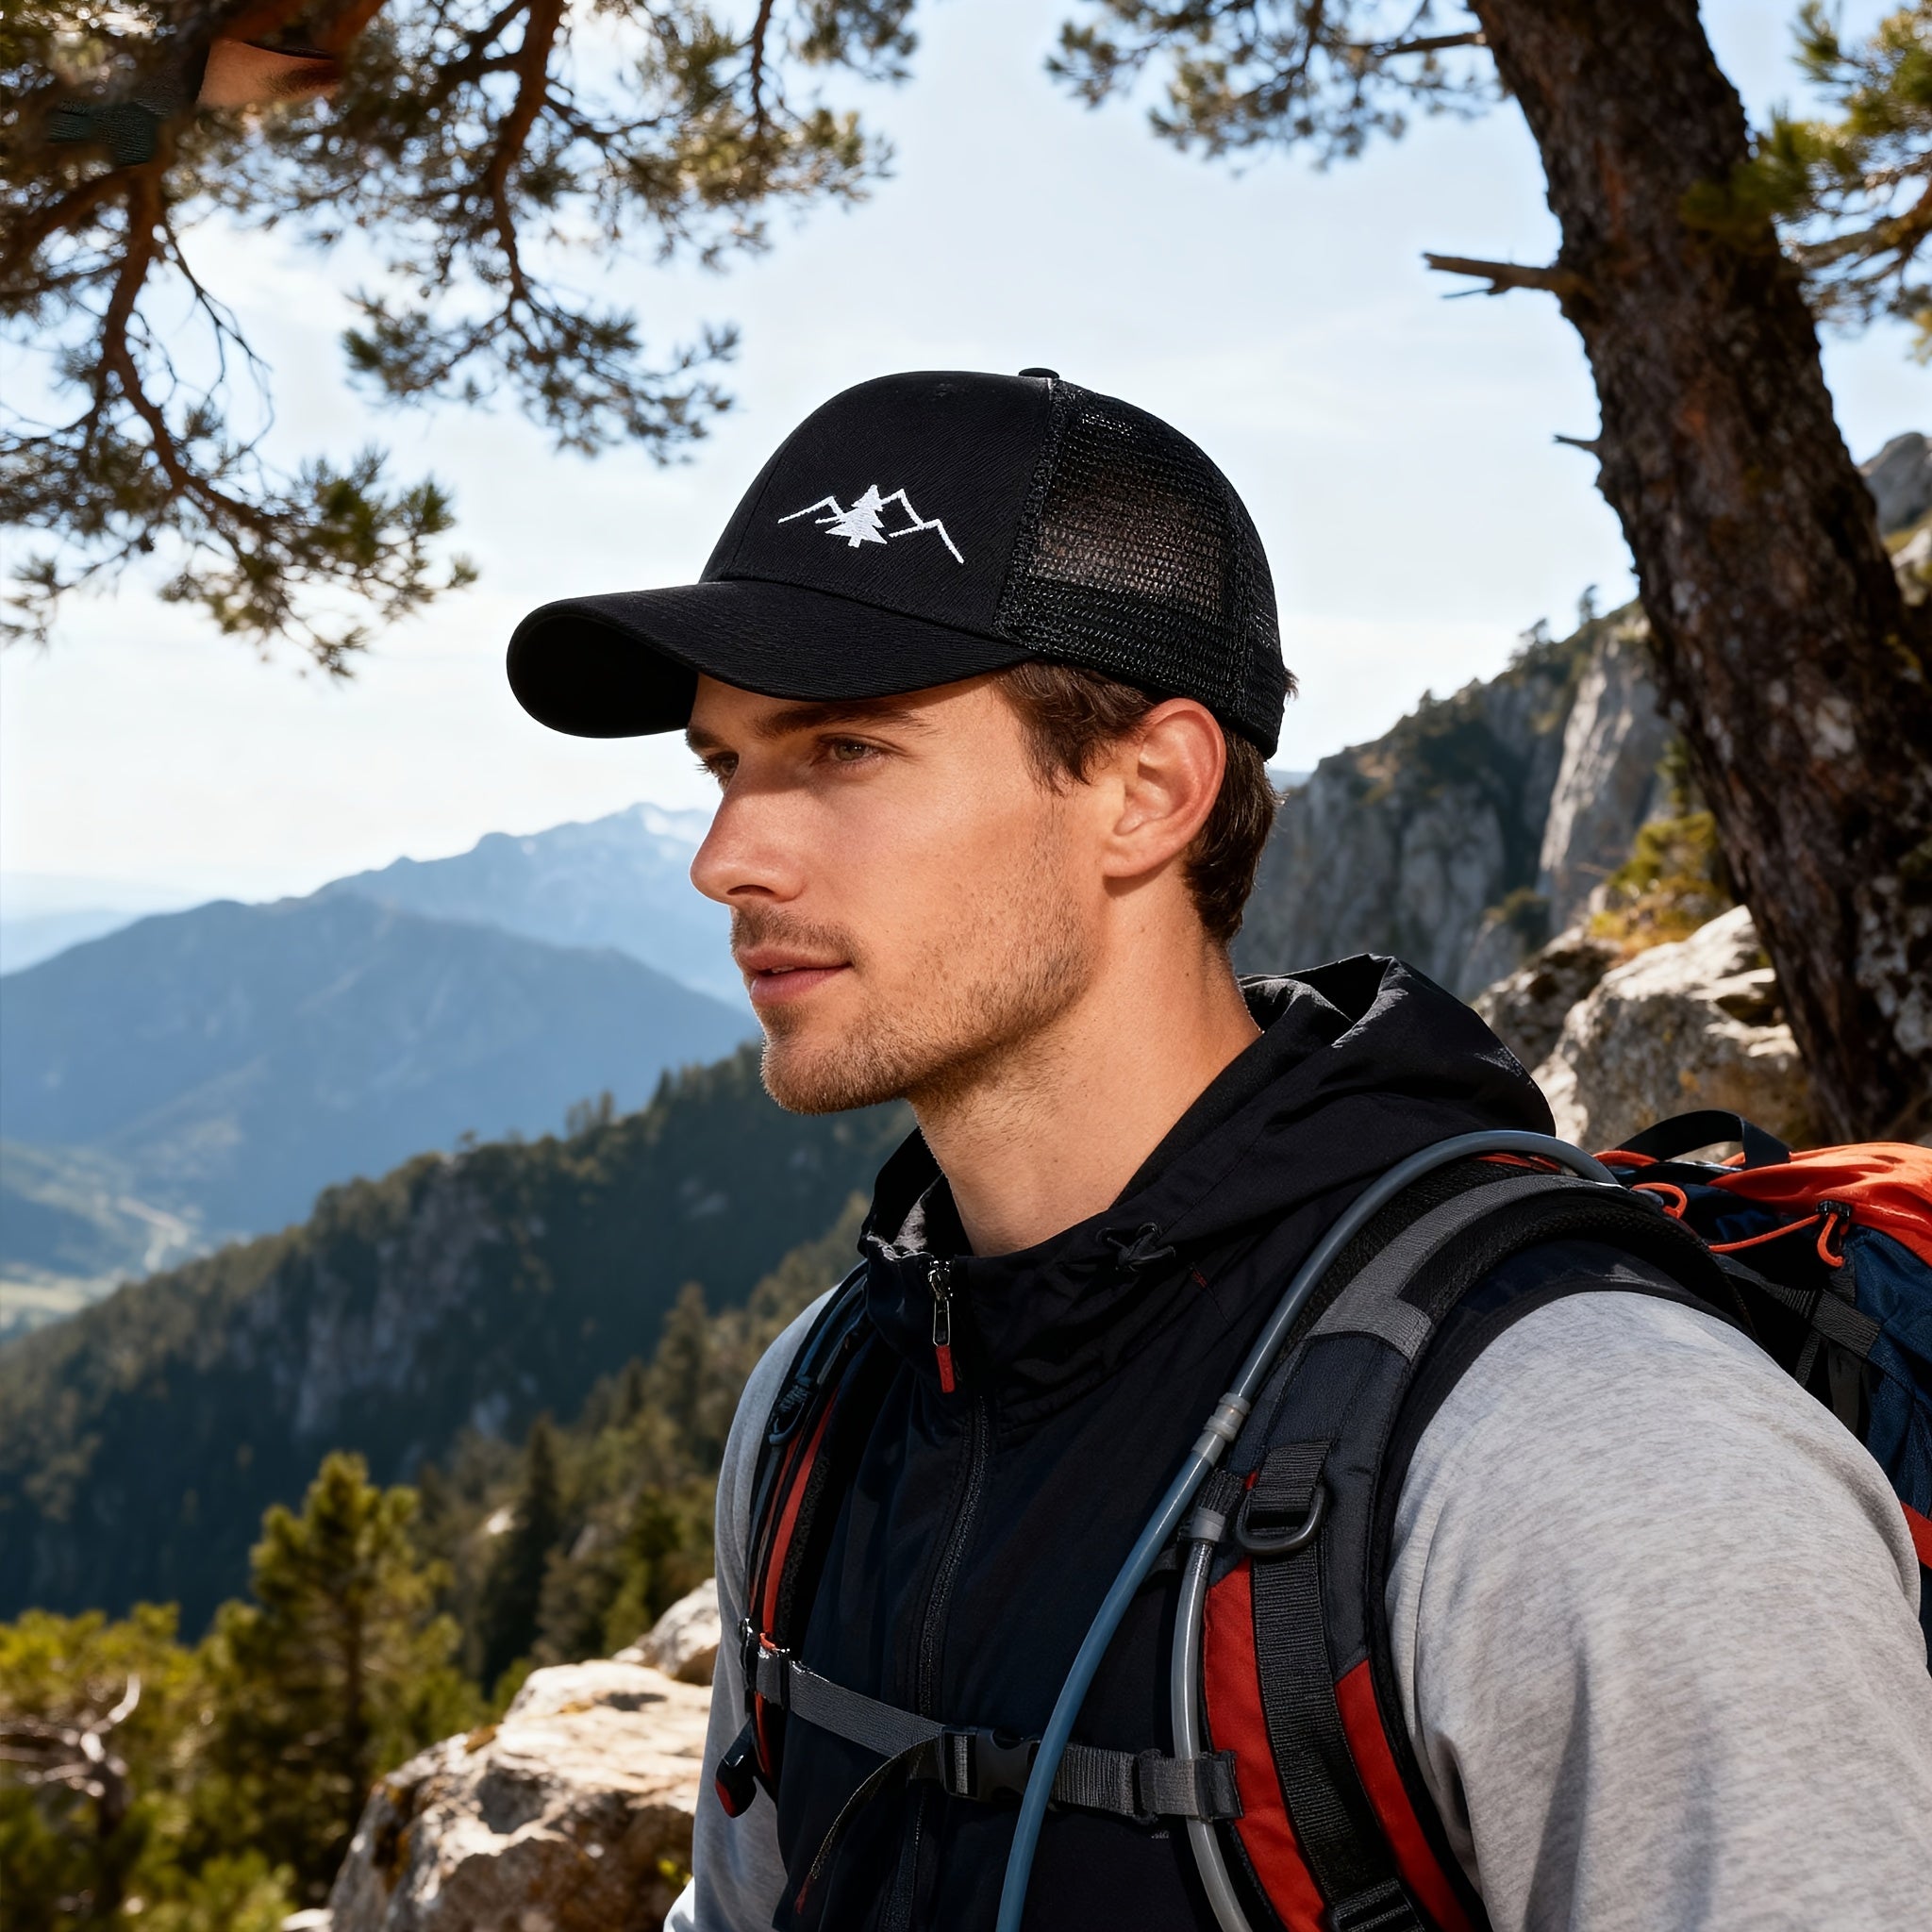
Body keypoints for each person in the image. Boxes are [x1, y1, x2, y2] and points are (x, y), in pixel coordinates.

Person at [506, 370, 1932, 1932]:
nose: (727, 858)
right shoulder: (817, 1409)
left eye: (845, 750)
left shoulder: (1589, 1464)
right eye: (724, 763)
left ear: (1149, 791)